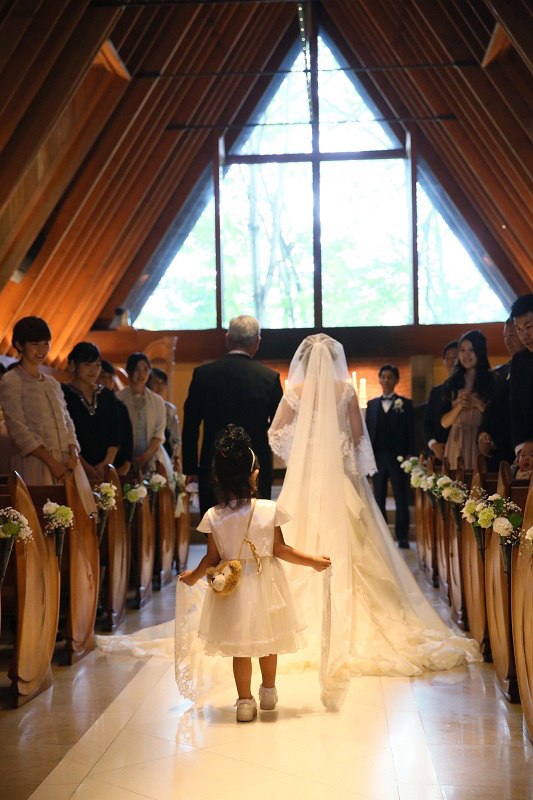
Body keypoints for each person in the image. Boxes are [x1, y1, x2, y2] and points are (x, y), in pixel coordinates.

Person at [266, 334, 481, 710]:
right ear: (335, 358)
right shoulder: (344, 390)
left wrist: (302, 450)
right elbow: (358, 438)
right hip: (338, 478)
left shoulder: (295, 388)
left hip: (306, 479)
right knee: (354, 540)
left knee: (294, 535)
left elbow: (275, 432)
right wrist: (348, 462)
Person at [178, 425, 330, 722]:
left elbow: (212, 557)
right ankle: (269, 692)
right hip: (266, 584)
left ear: (219, 478)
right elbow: (280, 549)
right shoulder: (268, 509)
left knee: (241, 646)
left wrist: (194, 577)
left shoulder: (213, 516)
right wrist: (312, 560)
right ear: (255, 474)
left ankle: (245, 701)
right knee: (268, 640)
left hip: (232, 590)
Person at [182, 315, 283, 514]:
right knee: (255, 527)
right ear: (257, 342)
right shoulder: (269, 378)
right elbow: (280, 426)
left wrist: (191, 468)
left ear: (228, 339)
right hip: (255, 466)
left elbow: (191, 424)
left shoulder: (203, 375)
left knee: (215, 529)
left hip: (214, 464)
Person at [0, 317, 96, 514]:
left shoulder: (52, 383)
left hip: (67, 463)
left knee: (77, 521)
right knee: (44, 520)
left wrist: (73, 453)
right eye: (35, 344)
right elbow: (18, 429)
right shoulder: (12, 380)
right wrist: (52, 463)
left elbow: (67, 420)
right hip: (37, 463)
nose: (41, 350)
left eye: (45, 343)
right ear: (19, 345)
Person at [365, 364, 416, 548]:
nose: (386, 380)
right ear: (379, 380)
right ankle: (382, 537)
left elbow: (412, 431)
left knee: (401, 496)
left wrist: (411, 453)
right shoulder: (371, 405)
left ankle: (402, 536)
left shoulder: (406, 404)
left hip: (398, 457)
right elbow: (367, 433)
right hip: (378, 457)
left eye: (389, 377)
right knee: (378, 497)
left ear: (396, 380)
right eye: (383, 377)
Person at [62, 343, 121, 480]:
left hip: (105, 468)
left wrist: (107, 462)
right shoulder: (62, 393)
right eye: (87, 365)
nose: (94, 371)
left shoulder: (106, 394)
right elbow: (65, 433)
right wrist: (84, 466)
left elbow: (115, 431)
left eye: (97, 365)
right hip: (74, 464)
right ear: (73, 365)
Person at [441, 330, 494, 470]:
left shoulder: (491, 380)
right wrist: (459, 407)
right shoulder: (451, 382)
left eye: (471, 350)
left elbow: (496, 417)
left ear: (480, 351)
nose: (466, 355)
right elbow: (444, 423)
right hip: (456, 439)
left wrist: (477, 404)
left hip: (479, 439)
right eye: (462, 350)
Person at [478, 319, 525, 470]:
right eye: (505, 336)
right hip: (496, 454)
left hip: (517, 451)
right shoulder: (503, 371)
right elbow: (491, 406)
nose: (508, 341)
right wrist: (483, 433)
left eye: (512, 335)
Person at [117, 352, 172, 478]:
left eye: (145, 369)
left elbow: (159, 433)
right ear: (129, 371)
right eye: (136, 369)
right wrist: (128, 458)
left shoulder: (157, 400)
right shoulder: (118, 398)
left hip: (152, 457)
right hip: (123, 458)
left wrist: (144, 457)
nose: (141, 374)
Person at [423, 340, 458, 462]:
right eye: (447, 358)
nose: (451, 361)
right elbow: (427, 423)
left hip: (461, 448)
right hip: (439, 454)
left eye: (455, 357)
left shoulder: (470, 389)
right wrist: (434, 445)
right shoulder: (436, 391)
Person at [509, 294, 533, 458]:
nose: (524, 335)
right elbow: (515, 407)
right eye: (518, 329)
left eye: (528, 327)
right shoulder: (518, 360)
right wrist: (521, 448)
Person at [99, 360, 133, 475]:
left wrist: (127, 461)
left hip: (118, 464)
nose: (107, 381)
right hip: (96, 461)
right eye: (103, 376)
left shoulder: (120, 406)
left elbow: (127, 435)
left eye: (110, 377)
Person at [148, 367, 182, 466]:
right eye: (156, 383)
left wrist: (175, 458)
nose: (160, 387)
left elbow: (175, 437)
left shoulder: (169, 409)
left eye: (163, 383)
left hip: (165, 453)